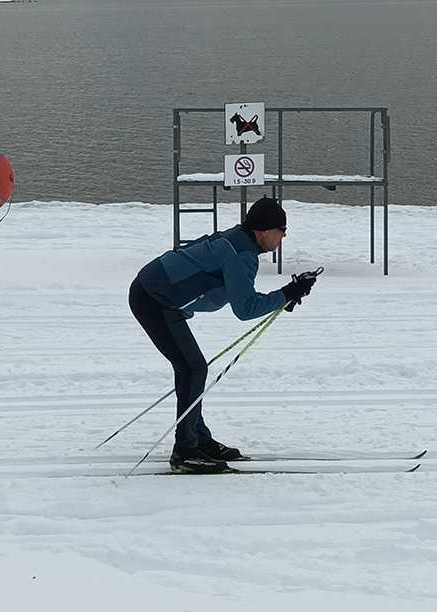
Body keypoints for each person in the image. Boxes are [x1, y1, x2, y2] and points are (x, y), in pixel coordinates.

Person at [129, 197, 317, 473]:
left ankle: (197, 439)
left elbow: (237, 293)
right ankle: (185, 451)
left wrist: (283, 297)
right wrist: (286, 294)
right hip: (154, 299)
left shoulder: (239, 241)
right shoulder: (243, 254)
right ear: (264, 230)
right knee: (193, 368)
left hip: (153, 292)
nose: (284, 236)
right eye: (282, 229)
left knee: (191, 368)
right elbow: (246, 308)